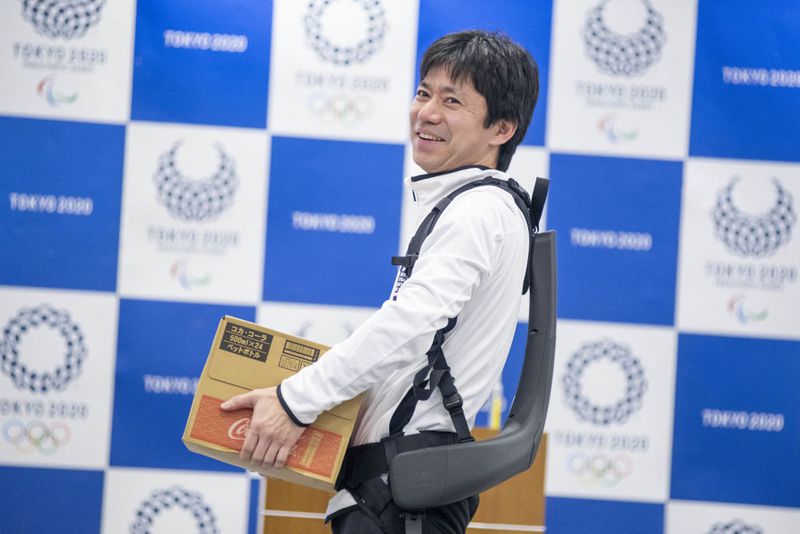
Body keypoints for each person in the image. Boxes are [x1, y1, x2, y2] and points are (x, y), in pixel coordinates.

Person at [221, 30, 539, 533]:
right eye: (423, 92)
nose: (427, 113)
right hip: (397, 488)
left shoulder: (477, 210)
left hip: (404, 495)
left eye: (452, 101)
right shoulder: (485, 205)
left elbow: (409, 326)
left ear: (501, 128)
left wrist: (294, 402)